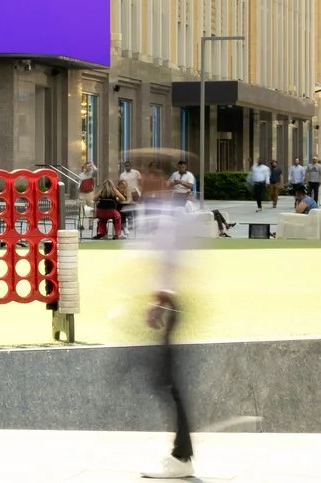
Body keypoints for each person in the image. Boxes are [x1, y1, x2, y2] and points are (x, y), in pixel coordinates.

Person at [139, 155, 204, 478]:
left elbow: (172, 260)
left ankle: (182, 456)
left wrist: (159, 299)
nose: (143, 181)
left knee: (167, 382)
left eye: (150, 176)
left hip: (172, 304)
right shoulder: (159, 213)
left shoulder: (170, 216)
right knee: (166, 381)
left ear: (164, 180)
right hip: (169, 302)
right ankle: (182, 454)